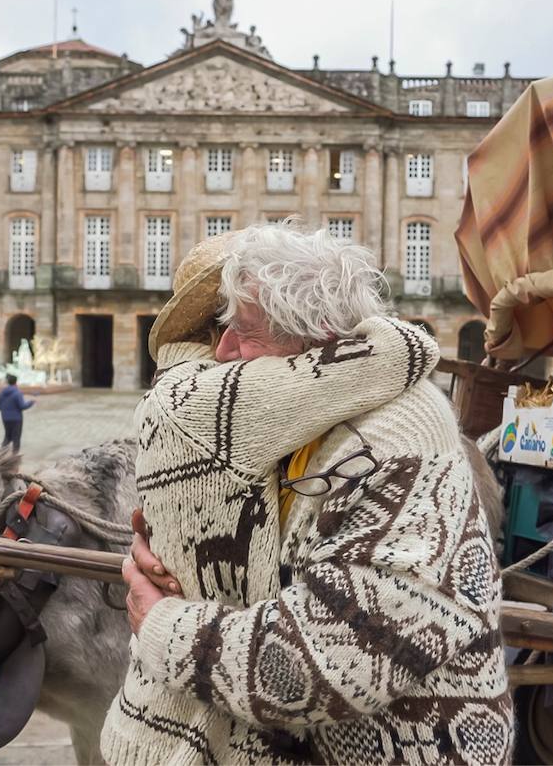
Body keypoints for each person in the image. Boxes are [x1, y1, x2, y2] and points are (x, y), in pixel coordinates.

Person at [101, 224, 513, 765]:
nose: (222, 351)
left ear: (317, 337)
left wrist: (158, 623)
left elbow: (317, 666)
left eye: (243, 330)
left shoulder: (403, 444)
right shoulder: (290, 421)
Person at [0, 373, 34, 452]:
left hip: (5, 418)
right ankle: (15, 456)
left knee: (7, 436)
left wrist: (6, 410)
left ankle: (1, 454)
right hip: (16, 419)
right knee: (16, 438)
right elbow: (22, 406)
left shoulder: (2, 393)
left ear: (7, 382)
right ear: (16, 382)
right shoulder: (17, 393)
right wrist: (31, 402)